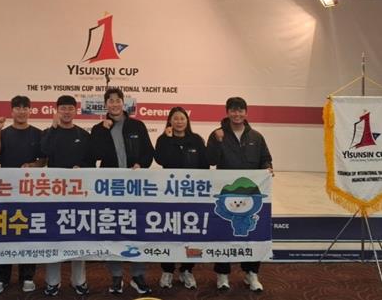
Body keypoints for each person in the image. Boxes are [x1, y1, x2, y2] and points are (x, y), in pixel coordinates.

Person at [90, 87, 154, 295]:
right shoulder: (98, 128)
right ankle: (116, 276)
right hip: (111, 188)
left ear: (123, 103)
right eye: (110, 101)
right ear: (105, 105)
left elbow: (148, 152)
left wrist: (140, 164)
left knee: (137, 229)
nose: (114, 104)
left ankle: (138, 275)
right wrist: (103, 131)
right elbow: (95, 154)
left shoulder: (137, 125)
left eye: (118, 100)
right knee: (113, 230)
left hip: (135, 187)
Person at [206, 97, 273, 293]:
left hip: (251, 196)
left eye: (240, 110)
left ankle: (251, 273)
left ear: (246, 112)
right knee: (223, 232)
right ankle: (222, 274)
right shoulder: (217, 134)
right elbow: (210, 160)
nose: (237, 114)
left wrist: (268, 168)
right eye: (233, 110)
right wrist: (218, 142)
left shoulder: (256, 137)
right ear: (227, 112)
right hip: (227, 195)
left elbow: (265, 159)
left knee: (252, 233)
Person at [0, 95, 44, 294]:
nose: (21, 111)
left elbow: (43, 160)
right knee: (5, 232)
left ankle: (27, 276)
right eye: (17, 108)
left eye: (25, 108)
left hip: (30, 191)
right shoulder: (4, 133)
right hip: (6, 191)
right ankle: (1, 277)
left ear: (30, 110)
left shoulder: (38, 134)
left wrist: (33, 166)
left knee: (28, 233)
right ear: (12, 111)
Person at [40, 95, 93, 296]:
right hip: (54, 193)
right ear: (57, 111)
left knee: (78, 236)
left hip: (78, 194)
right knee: (54, 237)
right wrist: (53, 128)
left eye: (70, 108)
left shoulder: (83, 135)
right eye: (63, 108)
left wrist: (82, 167)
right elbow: (44, 151)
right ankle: (52, 282)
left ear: (75, 110)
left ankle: (79, 280)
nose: (67, 112)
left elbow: (90, 161)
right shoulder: (49, 132)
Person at [154, 106, 207, 290]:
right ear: (170, 121)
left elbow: (205, 165)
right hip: (170, 195)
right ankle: (167, 270)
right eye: (175, 118)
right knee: (168, 232)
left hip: (193, 195)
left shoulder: (196, 140)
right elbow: (161, 160)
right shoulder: (163, 139)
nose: (179, 122)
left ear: (187, 121)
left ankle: (187, 270)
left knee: (191, 233)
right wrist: (168, 139)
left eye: (182, 118)